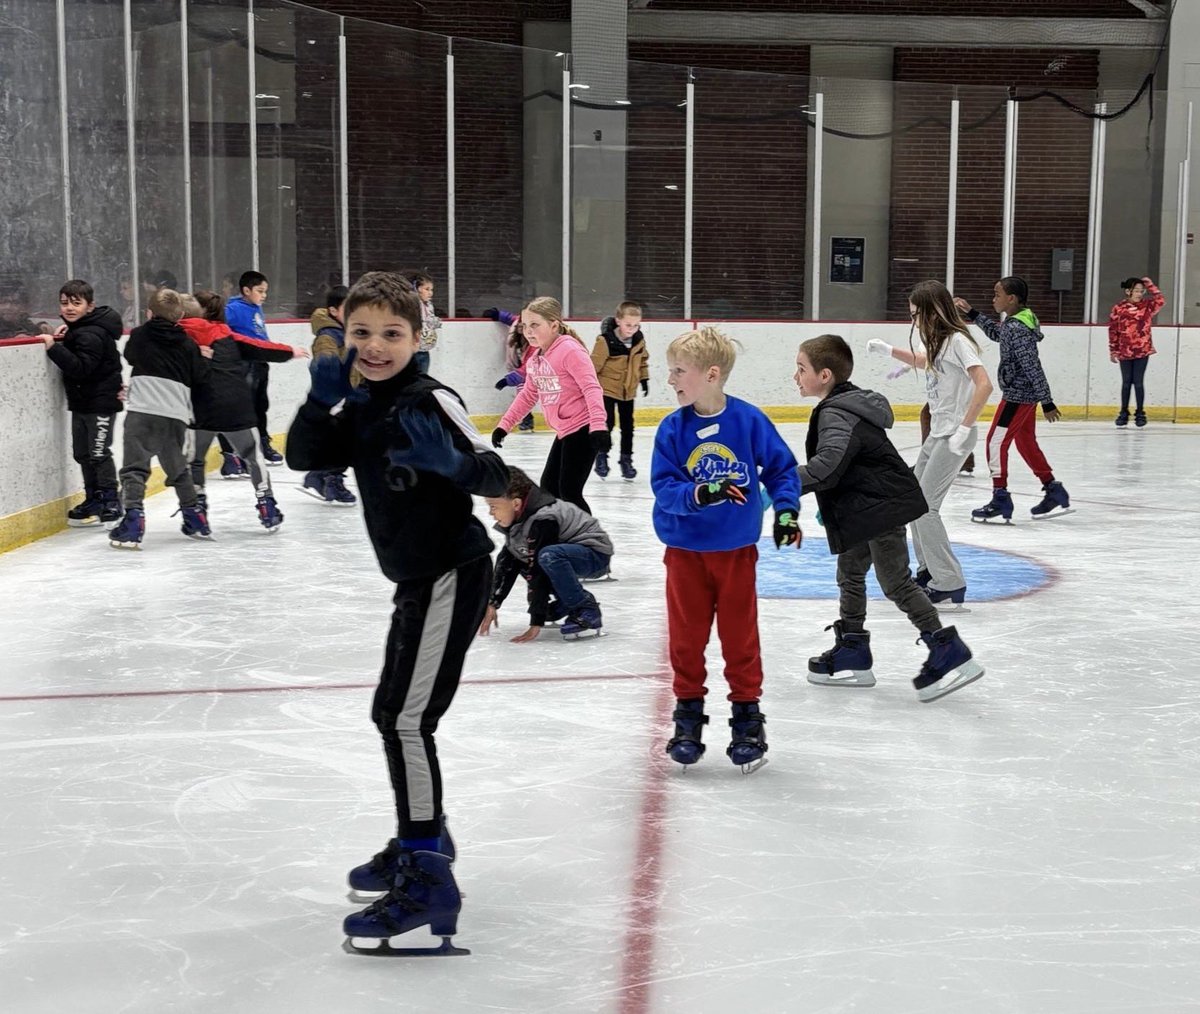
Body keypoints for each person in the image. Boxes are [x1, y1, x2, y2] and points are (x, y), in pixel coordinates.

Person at [284, 271, 508, 955]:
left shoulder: (430, 398)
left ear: (418, 337)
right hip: (417, 578)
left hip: (450, 572)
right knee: (395, 713)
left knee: (406, 720)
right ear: (343, 335)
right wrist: (318, 403)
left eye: (392, 333)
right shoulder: (360, 401)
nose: (376, 346)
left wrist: (454, 465)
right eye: (362, 333)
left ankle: (427, 873)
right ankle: (424, 835)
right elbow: (302, 456)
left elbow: (498, 474)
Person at [794, 334, 984, 702]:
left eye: (801, 369)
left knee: (895, 582)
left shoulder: (836, 412)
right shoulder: (846, 403)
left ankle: (946, 648)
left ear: (825, 375)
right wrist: (832, 500)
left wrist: (782, 484)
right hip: (866, 507)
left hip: (881, 509)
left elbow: (828, 464)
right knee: (850, 571)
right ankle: (853, 647)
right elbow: (849, 462)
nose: (796, 376)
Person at [651, 326, 801, 773]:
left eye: (679, 371)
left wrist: (786, 512)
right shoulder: (672, 429)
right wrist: (702, 492)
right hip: (686, 553)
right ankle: (688, 716)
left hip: (735, 552)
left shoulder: (749, 421)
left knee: (740, 636)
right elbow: (665, 488)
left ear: (711, 375)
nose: (671, 379)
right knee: (686, 638)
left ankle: (747, 717)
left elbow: (782, 470)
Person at [867, 280, 993, 609]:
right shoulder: (940, 341)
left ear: (933, 311)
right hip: (939, 433)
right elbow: (926, 361)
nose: (913, 321)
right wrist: (889, 351)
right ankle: (928, 570)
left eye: (916, 315)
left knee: (925, 508)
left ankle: (949, 581)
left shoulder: (957, 340)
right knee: (913, 503)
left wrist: (966, 426)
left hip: (953, 435)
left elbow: (984, 384)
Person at [180, 291, 307, 532]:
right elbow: (260, 347)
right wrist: (290, 351)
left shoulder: (181, 336)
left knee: (195, 461)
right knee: (253, 457)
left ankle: (197, 509)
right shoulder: (229, 336)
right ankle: (267, 505)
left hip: (201, 408)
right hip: (236, 406)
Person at [954, 277, 1071, 522]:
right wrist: (972, 313)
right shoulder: (1016, 322)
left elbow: (1032, 366)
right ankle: (1053, 489)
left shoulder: (1017, 328)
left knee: (995, 442)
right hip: (1024, 394)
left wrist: (1047, 401)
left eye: (997, 295)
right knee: (1025, 442)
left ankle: (1000, 498)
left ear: (1012, 298)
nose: (993, 299)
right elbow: (998, 334)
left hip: (1018, 396)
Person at [108, 289, 213, 549]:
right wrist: (203, 358)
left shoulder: (140, 334)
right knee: (178, 467)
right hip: (175, 415)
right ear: (180, 316)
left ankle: (133, 520)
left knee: (135, 467)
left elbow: (130, 356)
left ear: (149, 313)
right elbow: (199, 377)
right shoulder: (187, 343)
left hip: (143, 411)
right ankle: (195, 516)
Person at [491, 297, 609, 514]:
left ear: (554, 325)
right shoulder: (536, 358)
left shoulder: (570, 350)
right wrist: (504, 425)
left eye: (535, 325)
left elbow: (591, 388)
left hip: (584, 428)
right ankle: (563, 530)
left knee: (569, 491)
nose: (528, 331)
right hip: (566, 430)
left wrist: (598, 426)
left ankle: (587, 533)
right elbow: (528, 395)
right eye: (525, 325)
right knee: (549, 488)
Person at [479, 466, 614, 642]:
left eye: (493, 506)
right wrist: (493, 603)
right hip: (566, 553)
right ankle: (565, 601)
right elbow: (507, 564)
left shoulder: (543, 519)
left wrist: (536, 622)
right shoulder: (520, 523)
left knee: (547, 556)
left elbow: (538, 569)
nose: (491, 513)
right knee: (523, 556)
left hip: (594, 555)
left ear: (516, 504)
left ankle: (586, 608)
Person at [42, 280, 125, 529]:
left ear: (90, 306)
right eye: (64, 303)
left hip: (100, 404)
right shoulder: (81, 329)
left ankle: (111, 501)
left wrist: (53, 347)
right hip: (83, 403)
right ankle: (94, 499)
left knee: (98, 453)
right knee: (83, 454)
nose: (69, 308)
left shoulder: (92, 333)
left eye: (76, 303)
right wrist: (66, 334)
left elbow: (81, 368)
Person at [301, 285, 358, 505]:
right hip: (342, 394)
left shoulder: (350, 329)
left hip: (357, 391)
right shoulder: (328, 335)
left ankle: (320, 474)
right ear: (333, 311)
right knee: (347, 438)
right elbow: (324, 360)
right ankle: (329, 477)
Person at [224, 270, 282, 464]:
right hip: (243, 365)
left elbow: (258, 333)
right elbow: (222, 331)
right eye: (260, 291)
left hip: (260, 363)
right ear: (246, 290)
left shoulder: (256, 307)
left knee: (260, 406)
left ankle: (263, 443)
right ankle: (235, 453)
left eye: (265, 291)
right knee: (242, 408)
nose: (264, 295)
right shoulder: (232, 309)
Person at [590, 300, 649, 481]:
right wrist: (589, 387)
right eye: (628, 325)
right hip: (606, 390)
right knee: (607, 424)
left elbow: (642, 361)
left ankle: (626, 461)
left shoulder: (639, 340)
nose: (632, 329)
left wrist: (644, 379)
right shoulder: (605, 341)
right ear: (618, 321)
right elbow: (593, 366)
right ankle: (601, 456)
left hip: (628, 391)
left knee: (628, 427)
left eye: (636, 325)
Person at [1108, 275, 1164, 428]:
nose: (1139, 294)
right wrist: (1113, 350)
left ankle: (1140, 413)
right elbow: (1113, 330)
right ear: (1128, 291)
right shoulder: (1119, 308)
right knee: (1126, 382)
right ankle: (1124, 412)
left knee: (1138, 382)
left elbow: (1160, 300)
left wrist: (1150, 286)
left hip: (1142, 350)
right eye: (1136, 290)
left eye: (1141, 291)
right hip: (1125, 350)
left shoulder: (1147, 306)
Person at [491, 310, 535, 432]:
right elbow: (512, 319)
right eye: (520, 324)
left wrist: (508, 380)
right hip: (519, 365)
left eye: (524, 325)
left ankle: (527, 418)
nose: (520, 326)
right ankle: (527, 418)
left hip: (532, 370)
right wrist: (499, 315)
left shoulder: (534, 344)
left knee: (524, 392)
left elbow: (528, 368)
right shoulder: (517, 324)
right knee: (522, 392)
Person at [401, 268, 441, 374]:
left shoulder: (429, 305)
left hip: (424, 351)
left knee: (422, 378)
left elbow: (429, 320)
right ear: (417, 289)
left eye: (431, 290)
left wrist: (434, 322)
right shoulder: (411, 305)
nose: (430, 293)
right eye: (427, 289)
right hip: (411, 352)